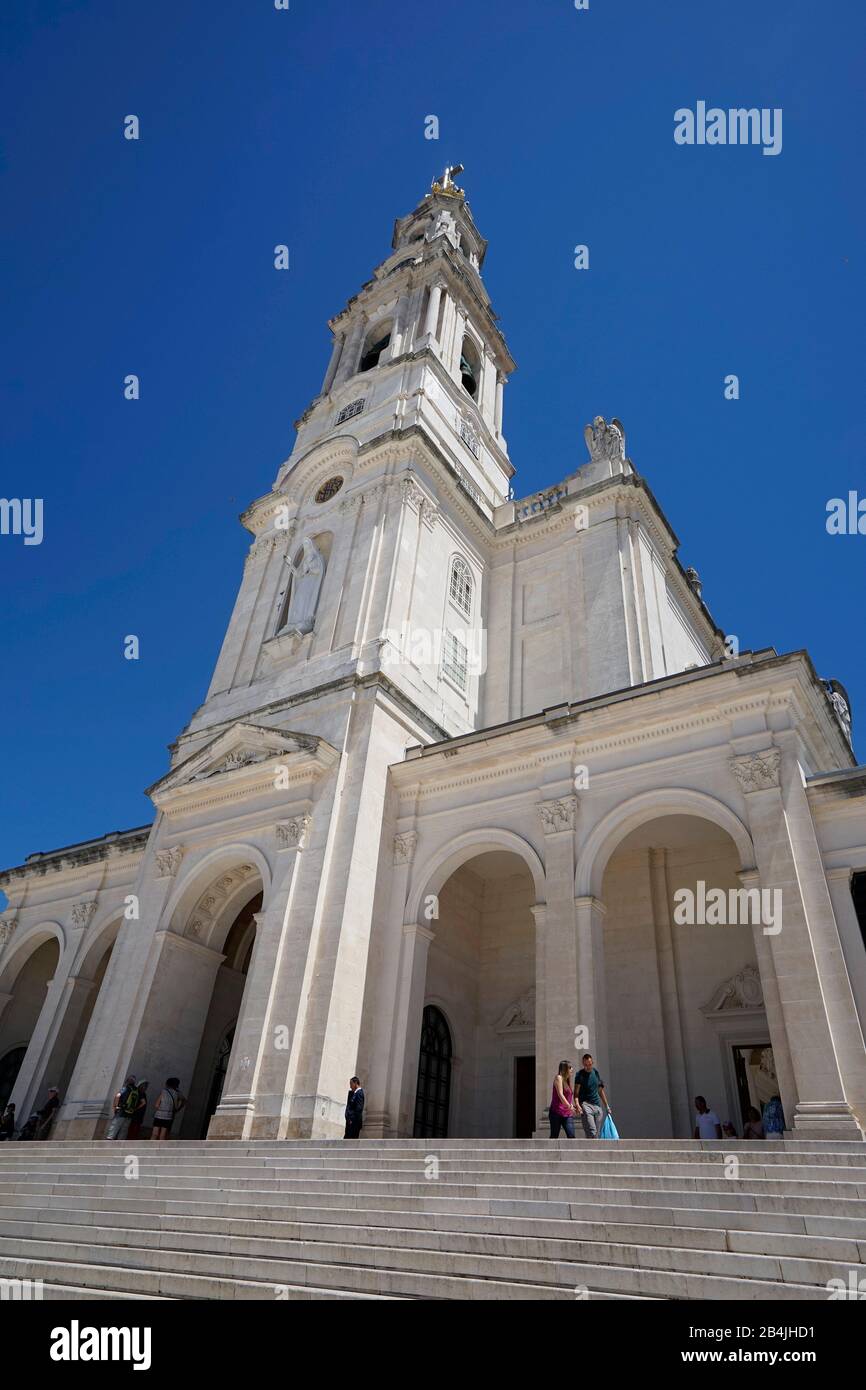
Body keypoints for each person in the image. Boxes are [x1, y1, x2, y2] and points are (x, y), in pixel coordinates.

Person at [576, 1054, 609, 1139]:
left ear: (592, 1062)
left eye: (590, 1064)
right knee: (592, 1131)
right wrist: (578, 1105)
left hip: (597, 1106)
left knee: (596, 1135)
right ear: (583, 1064)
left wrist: (607, 1106)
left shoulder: (595, 1072)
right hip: (586, 1105)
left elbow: (600, 1091)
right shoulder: (579, 1075)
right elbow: (576, 1093)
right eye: (586, 1065)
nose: (588, 1067)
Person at [549, 1060, 576, 1138]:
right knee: (554, 1136)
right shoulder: (558, 1078)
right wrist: (570, 1107)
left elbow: (568, 1098)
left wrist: (572, 1106)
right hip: (556, 1112)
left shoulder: (567, 1081)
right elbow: (560, 1095)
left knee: (571, 1135)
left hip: (567, 1114)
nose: (572, 1069)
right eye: (570, 1067)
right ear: (564, 1069)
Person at [107, 1076, 139, 1141]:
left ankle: (109, 1139)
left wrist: (115, 1107)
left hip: (121, 1111)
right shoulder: (136, 1090)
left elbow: (117, 1096)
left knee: (115, 1126)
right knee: (124, 1129)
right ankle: (120, 1141)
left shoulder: (125, 1088)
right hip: (130, 1112)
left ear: (127, 1081)